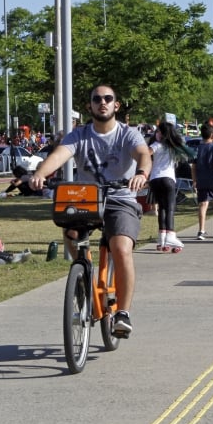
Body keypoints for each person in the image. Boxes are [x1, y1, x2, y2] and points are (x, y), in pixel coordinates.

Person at [30, 84, 151, 338]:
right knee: (71, 233)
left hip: (120, 199)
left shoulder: (127, 134)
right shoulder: (79, 135)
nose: (102, 102)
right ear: (90, 106)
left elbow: (143, 154)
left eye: (108, 98)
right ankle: (84, 275)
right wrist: (41, 173)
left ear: (116, 105)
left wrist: (141, 173)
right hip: (87, 200)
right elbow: (59, 155)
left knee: (121, 248)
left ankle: (123, 313)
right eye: (97, 99)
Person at [148, 121, 195, 251]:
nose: (156, 133)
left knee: (162, 208)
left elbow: (146, 153)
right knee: (170, 208)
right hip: (168, 179)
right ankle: (170, 235)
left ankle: (162, 238)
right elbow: (187, 156)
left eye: (158, 131)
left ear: (163, 134)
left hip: (155, 179)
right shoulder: (173, 147)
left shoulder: (155, 145)